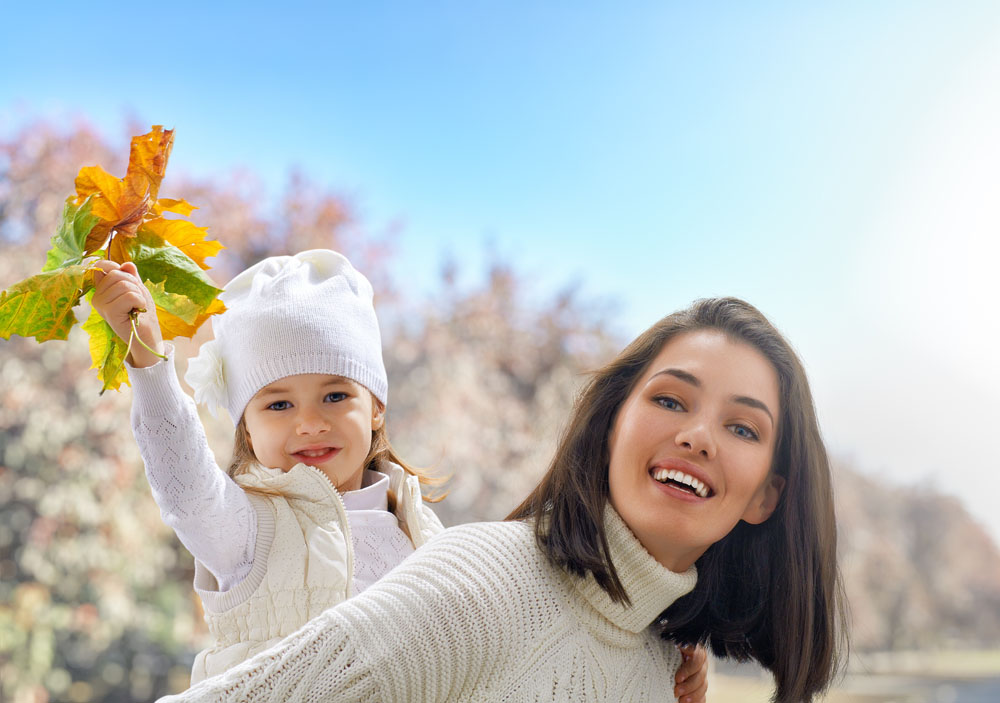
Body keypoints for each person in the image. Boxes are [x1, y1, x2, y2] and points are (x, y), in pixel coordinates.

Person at [155, 296, 844, 703]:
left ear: (767, 496)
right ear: (611, 426)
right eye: (670, 398)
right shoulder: (486, 584)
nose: (697, 435)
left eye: (742, 426)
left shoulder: (663, 670)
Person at [94, 250, 709, 701]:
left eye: (336, 396)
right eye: (278, 405)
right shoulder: (246, 526)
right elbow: (185, 486)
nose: (310, 423)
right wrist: (149, 365)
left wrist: (655, 656)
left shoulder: (423, 530)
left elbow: (524, 625)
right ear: (246, 428)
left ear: (376, 407)